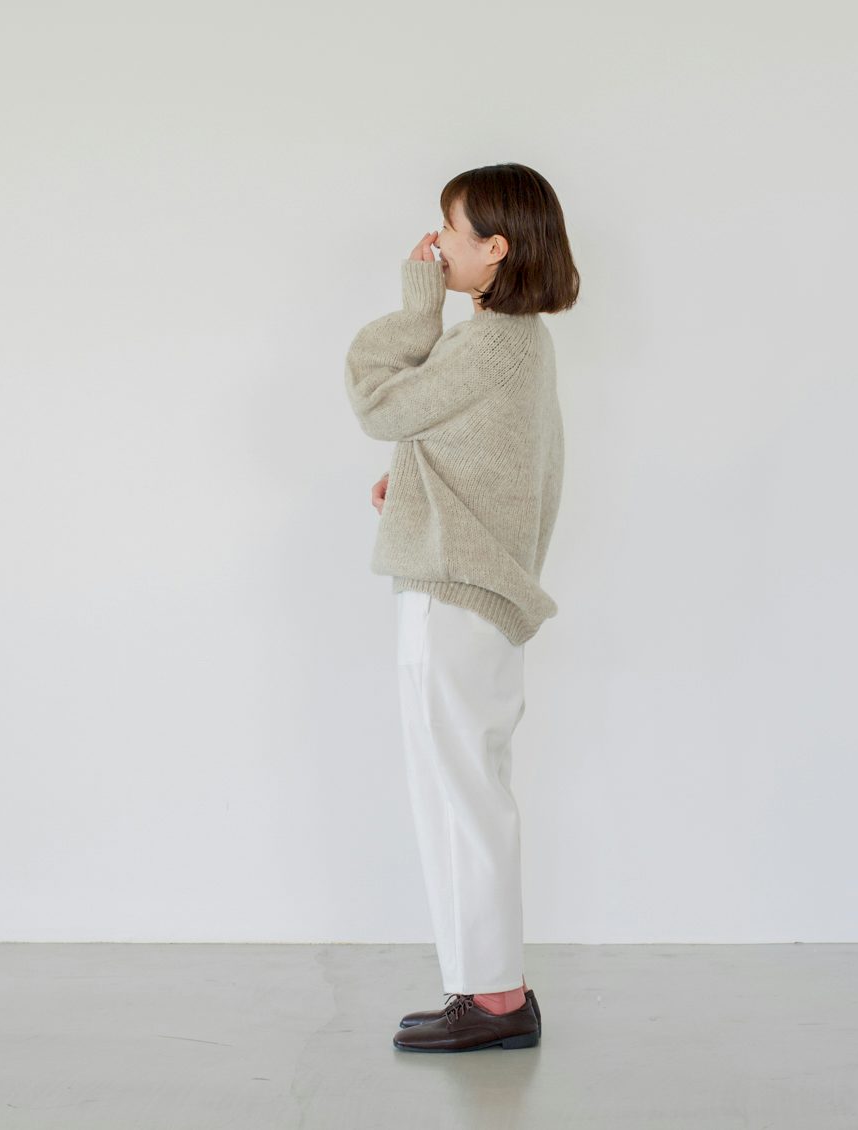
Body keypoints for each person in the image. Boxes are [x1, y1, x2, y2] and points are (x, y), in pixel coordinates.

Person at [343, 163, 579, 1052]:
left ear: (496, 249)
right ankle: (485, 989)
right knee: (468, 790)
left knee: (458, 798)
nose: (435, 245)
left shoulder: (488, 345)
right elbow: (500, 463)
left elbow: (377, 400)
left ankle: (494, 1000)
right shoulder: (521, 345)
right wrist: (412, 484)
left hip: (456, 600)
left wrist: (416, 308)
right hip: (476, 599)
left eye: (449, 230)